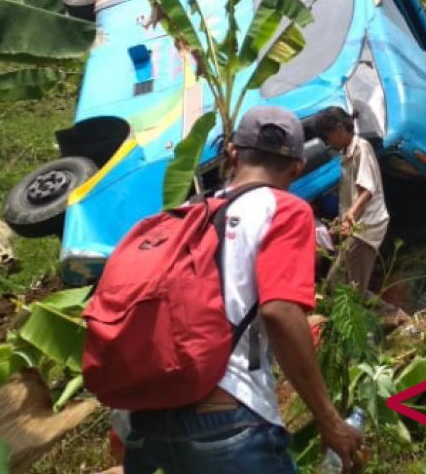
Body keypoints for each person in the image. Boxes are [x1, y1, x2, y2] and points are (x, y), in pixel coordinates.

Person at [120, 107, 361, 474]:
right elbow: (279, 311)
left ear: (232, 154)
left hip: (147, 425)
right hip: (226, 422)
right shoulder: (284, 210)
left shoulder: (184, 214)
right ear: (297, 168)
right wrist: (329, 420)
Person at [317, 107, 390, 298]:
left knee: (343, 285)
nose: (329, 143)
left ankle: (397, 321)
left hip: (366, 226)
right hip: (358, 226)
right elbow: (351, 194)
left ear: (340, 128)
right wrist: (342, 220)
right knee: (349, 284)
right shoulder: (347, 154)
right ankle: (398, 320)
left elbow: (367, 189)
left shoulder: (361, 148)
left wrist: (351, 215)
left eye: (328, 136)